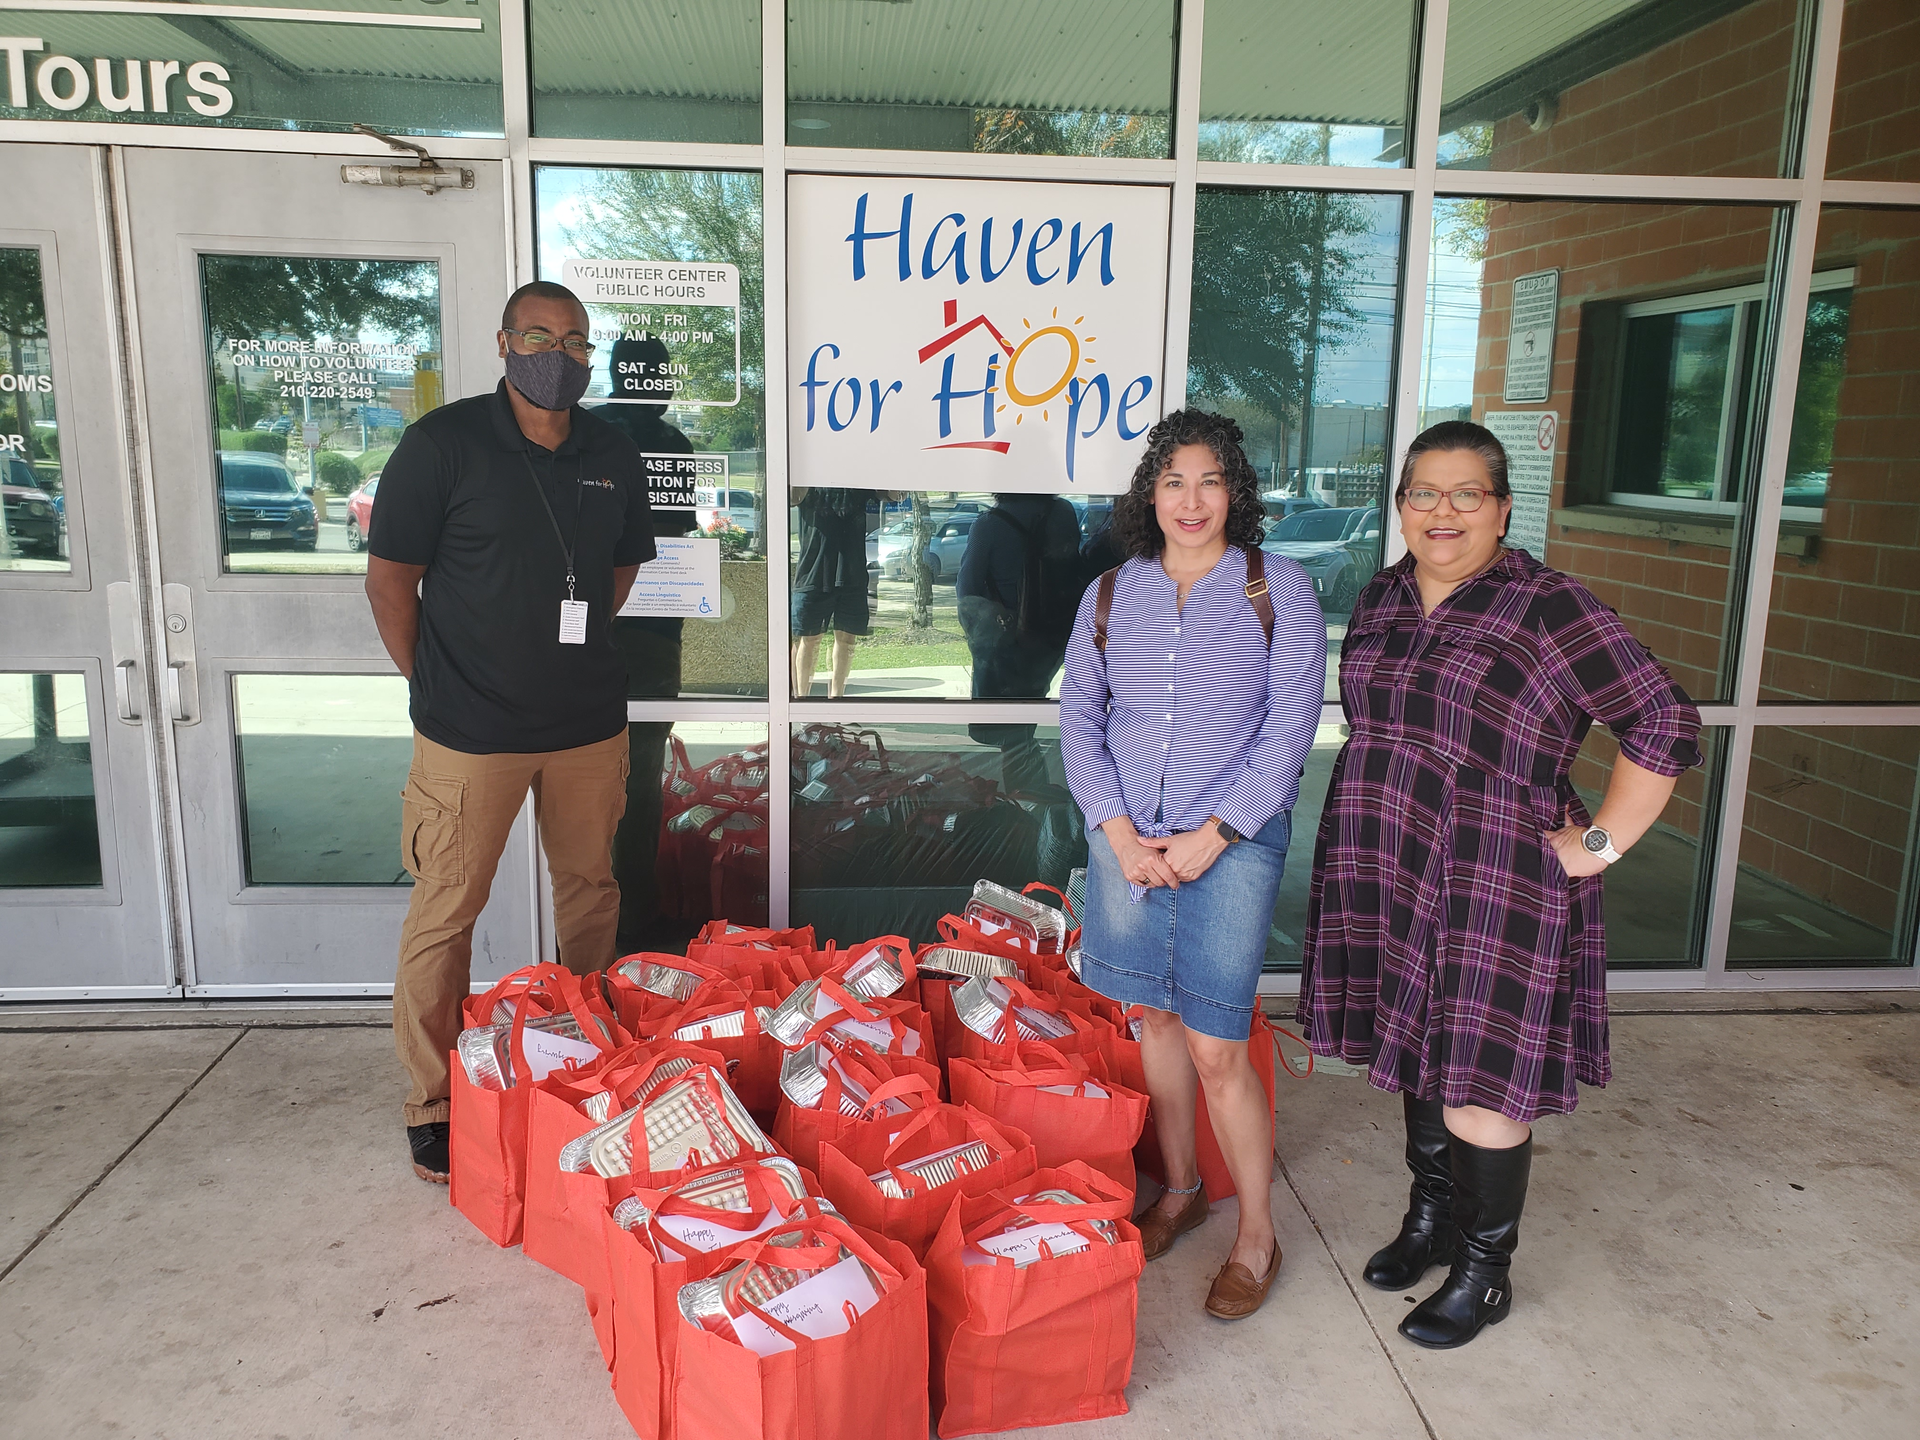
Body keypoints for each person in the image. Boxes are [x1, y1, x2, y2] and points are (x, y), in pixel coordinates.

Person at [1298, 420, 1702, 1348]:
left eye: (1466, 494)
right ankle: (1431, 1219)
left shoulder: (1550, 606)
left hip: (1497, 875)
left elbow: (1662, 722)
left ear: (1503, 506)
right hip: (1388, 856)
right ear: (1400, 506)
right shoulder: (1385, 595)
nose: (1444, 512)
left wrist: (1598, 843)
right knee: (1420, 1049)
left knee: (1481, 1078)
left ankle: (1485, 1272)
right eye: (1424, 494)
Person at [365, 280, 656, 1184]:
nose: (558, 355)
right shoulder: (442, 444)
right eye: (538, 336)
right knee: (447, 911)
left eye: (574, 342)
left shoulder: (613, 449)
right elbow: (390, 583)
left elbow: (615, 577)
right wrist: (439, 684)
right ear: (503, 343)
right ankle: (433, 1102)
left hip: (584, 726)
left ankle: (594, 1064)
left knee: (591, 894)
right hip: (470, 734)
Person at [1059, 409, 1325, 1320]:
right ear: (1150, 494)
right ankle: (1178, 1189)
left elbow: (1291, 726)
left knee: (1218, 1046)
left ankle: (1257, 1233)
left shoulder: (1277, 587)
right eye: (1173, 481)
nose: (1191, 499)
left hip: (1232, 845)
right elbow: (1080, 720)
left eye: (1209, 480)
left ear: (1235, 491)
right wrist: (1118, 831)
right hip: (1128, 843)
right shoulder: (1108, 594)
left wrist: (1220, 830)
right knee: (1153, 1027)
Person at [592, 336, 694, 954]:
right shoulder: (671, 445)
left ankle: (590, 918)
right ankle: (633, 915)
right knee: (640, 784)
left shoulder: (585, 434)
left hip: (581, 632)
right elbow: (673, 539)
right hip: (650, 637)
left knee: (579, 779)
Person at [957, 491, 1085, 794]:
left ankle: (1025, 794)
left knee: (1009, 727)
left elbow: (968, 590)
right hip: (1054, 635)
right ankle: (1033, 788)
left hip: (1008, 639)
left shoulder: (988, 524)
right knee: (1027, 718)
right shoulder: (1062, 512)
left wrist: (980, 636)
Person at [791, 486, 876, 697]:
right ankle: (801, 704)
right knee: (808, 639)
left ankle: (837, 702)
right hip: (813, 572)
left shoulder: (857, 477)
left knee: (847, 639)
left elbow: (892, 494)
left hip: (851, 572)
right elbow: (792, 497)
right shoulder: (810, 477)